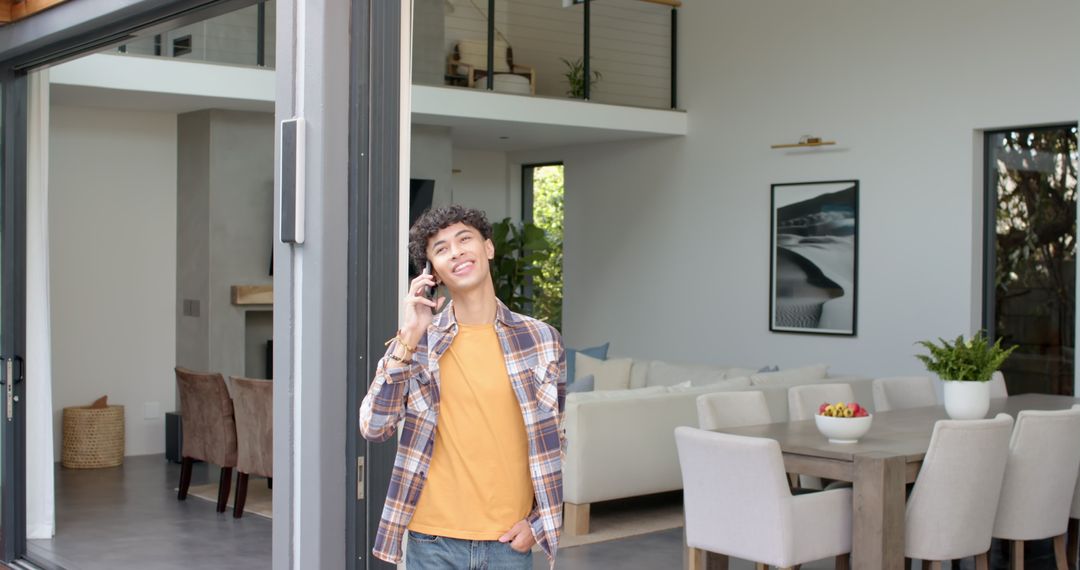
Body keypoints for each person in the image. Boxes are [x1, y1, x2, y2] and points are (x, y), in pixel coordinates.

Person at [359, 205, 566, 569]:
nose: (455, 252)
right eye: (440, 249)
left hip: (508, 544)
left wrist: (537, 524)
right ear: (431, 273)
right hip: (432, 541)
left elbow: (555, 440)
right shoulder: (416, 344)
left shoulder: (542, 341)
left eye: (464, 239)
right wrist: (408, 336)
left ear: (488, 248)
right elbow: (374, 427)